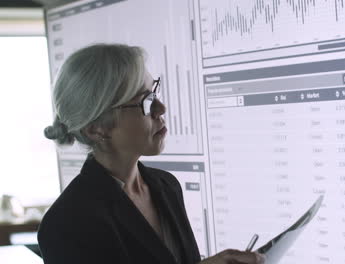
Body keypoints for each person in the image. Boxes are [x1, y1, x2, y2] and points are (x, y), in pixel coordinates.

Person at [39, 44, 265, 264]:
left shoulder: (166, 185)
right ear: (96, 128)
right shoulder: (65, 223)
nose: (161, 108)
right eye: (144, 102)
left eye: (154, 92)